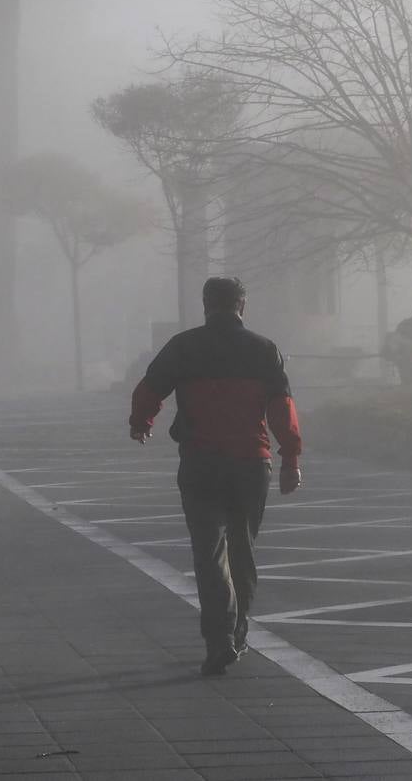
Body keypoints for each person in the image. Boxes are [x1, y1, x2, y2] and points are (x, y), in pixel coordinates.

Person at [128, 277, 304, 676]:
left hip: (201, 462)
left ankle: (219, 638)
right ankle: (237, 634)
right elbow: (282, 408)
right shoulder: (264, 350)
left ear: (206, 305)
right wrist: (291, 457)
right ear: (242, 304)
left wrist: (141, 422)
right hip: (250, 464)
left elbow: (149, 388)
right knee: (242, 550)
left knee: (209, 554)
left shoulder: (184, 347)